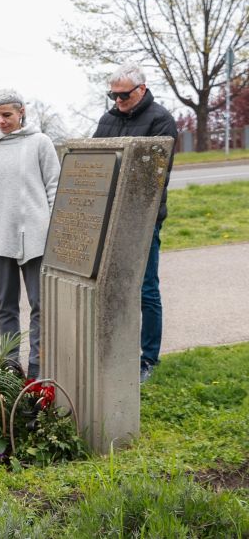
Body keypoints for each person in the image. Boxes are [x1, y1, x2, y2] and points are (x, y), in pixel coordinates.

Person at [92, 62, 177, 383]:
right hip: (108, 216)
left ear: (141, 89)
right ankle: (115, 349)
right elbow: (94, 161)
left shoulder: (160, 120)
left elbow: (155, 174)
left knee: (146, 288)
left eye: (123, 95)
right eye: (112, 96)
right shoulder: (107, 119)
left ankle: (148, 358)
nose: (117, 101)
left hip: (142, 219)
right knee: (108, 284)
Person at [0, 89, 59, 380]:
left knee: (40, 304)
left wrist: (55, 228)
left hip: (36, 235)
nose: (1, 121)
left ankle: (37, 363)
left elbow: (54, 187)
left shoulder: (40, 143)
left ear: (21, 112)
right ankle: (9, 363)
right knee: (5, 304)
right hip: (0, 234)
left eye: (7, 114)